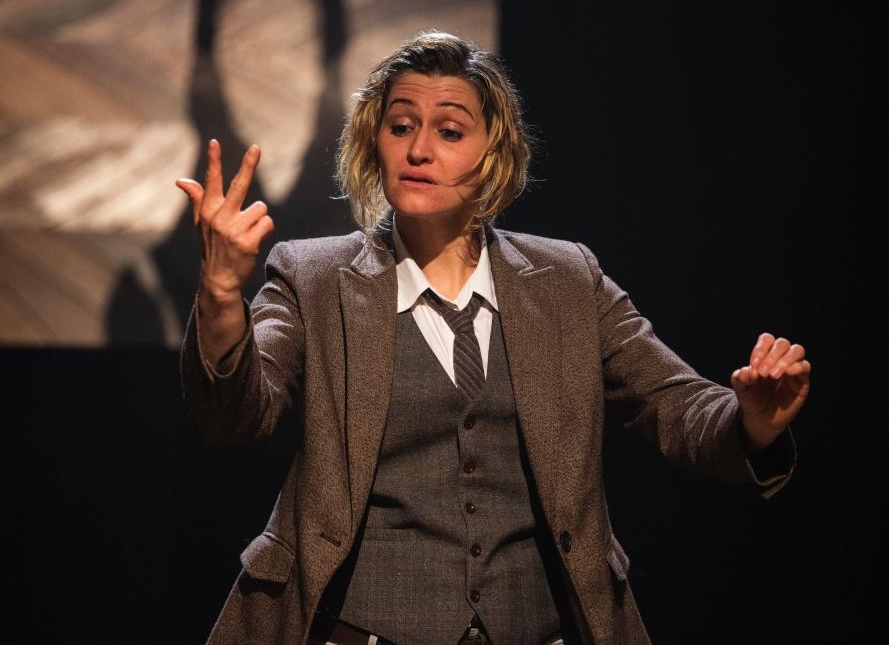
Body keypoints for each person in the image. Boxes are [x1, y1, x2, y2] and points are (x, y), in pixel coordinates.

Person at [177, 32, 809, 645]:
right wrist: (222, 295)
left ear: (494, 157)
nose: (418, 149)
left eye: (449, 131)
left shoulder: (566, 279)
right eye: (401, 126)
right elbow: (233, 416)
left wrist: (750, 422)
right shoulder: (313, 278)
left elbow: (677, 405)